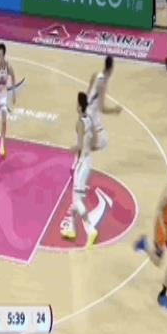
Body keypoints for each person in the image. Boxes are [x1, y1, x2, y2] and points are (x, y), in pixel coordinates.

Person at [61, 92, 98, 246]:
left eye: (77, 103)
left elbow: (79, 145)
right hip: (88, 161)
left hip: (82, 164)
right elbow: (94, 141)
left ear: (79, 107)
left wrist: (70, 149)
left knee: (77, 200)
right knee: (76, 198)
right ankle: (71, 228)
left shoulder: (79, 123)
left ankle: (91, 229)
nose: (75, 105)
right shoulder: (89, 120)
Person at [135, 179, 167, 310]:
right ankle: (145, 244)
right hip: (162, 224)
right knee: (158, 262)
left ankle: (162, 294)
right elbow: (159, 210)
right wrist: (163, 231)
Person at [86, 56, 122, 151]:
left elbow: (88, 93)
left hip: (88, 111)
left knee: (99, 143)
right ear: (111, 68)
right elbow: (102, 109)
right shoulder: (102, 84)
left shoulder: (95, 74)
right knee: (99, 144)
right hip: (91, 116)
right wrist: (115, 110)